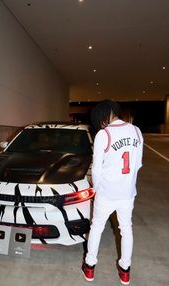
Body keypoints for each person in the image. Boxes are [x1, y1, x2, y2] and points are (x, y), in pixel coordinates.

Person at [82, 100, 143, 285]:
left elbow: (97, 169)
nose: (101, 123)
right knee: (126, 229)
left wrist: (96, 190)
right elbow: (138, 164)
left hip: (107, 193)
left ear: (107, 114)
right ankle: (125, 270)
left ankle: (90, 267)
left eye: (101, 118)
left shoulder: (104, 134)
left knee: (96, 228)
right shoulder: (137, 131)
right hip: (127, 193)